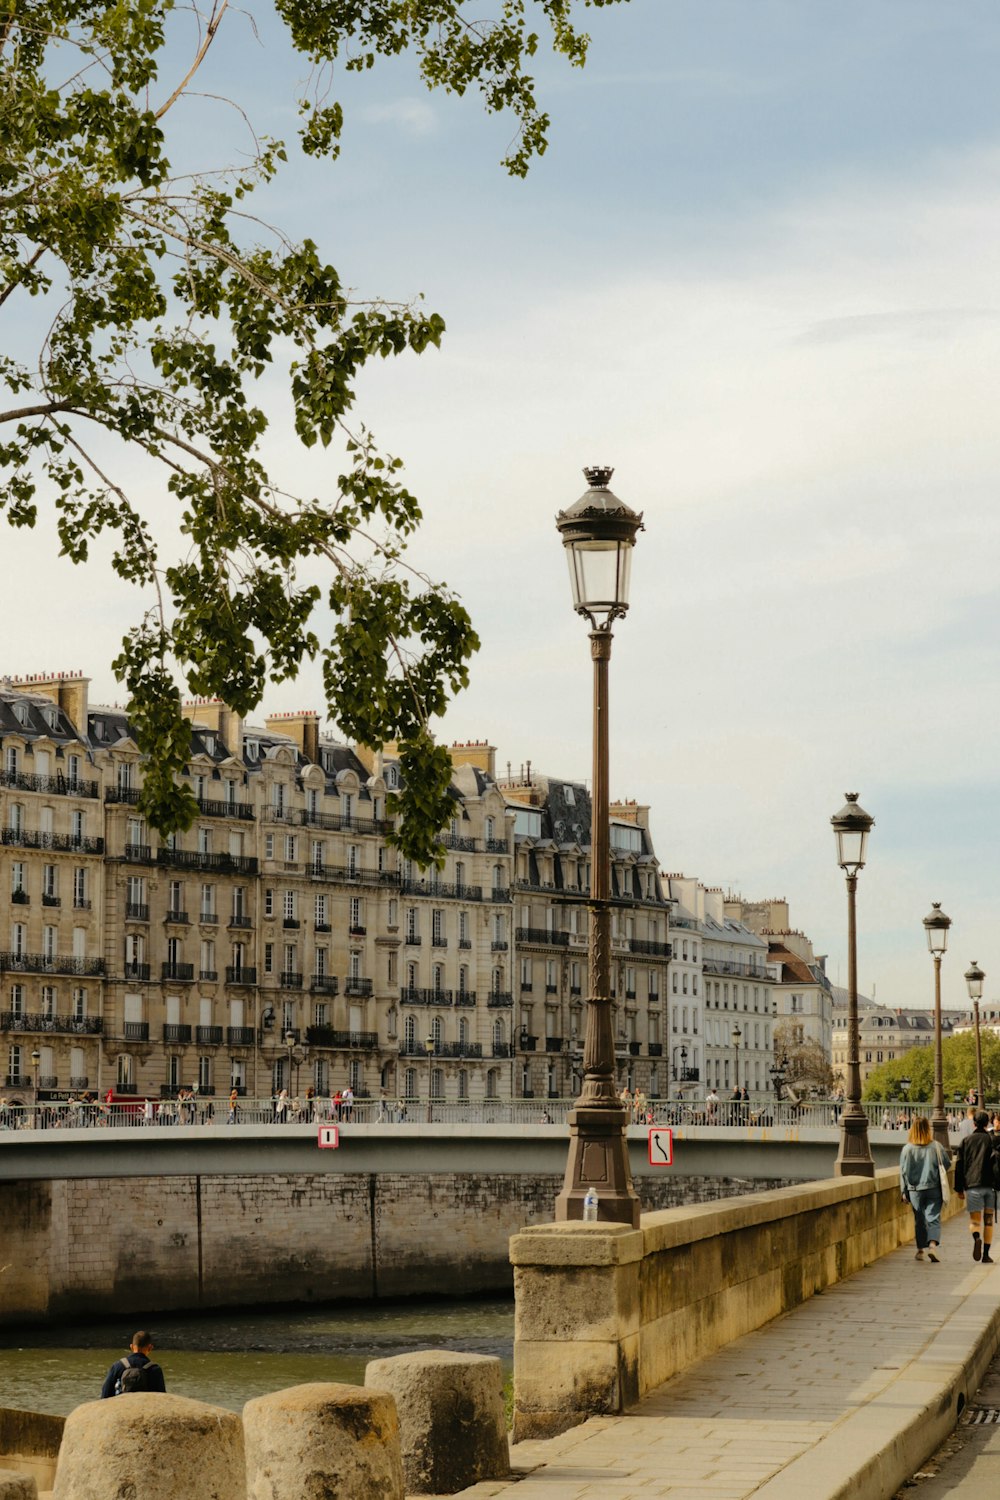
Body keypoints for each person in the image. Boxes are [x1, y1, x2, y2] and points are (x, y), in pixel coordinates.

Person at [899, 1116, 948, 1263]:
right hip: (933, 1187)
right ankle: (932, 1245)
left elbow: (903, 1172)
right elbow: (946, 1163)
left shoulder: (907, 1149)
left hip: (915, 1190)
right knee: (933, 1218)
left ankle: (920, 1250)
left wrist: (903, 1191)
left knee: (919, 1220)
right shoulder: (936, 1146)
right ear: (928, 1129)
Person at [955, 1109, 1000, 1263]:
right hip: (991, 1186)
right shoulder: (993, 1140)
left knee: (975, 1222)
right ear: (987, 1123)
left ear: (973, 1123)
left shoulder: (966, 1141)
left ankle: (976, 1238)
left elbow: (959, 1166)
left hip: (973, 1185)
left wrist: (959, 1188)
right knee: (988, 1221)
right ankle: (986, 1255)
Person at [100, 1331, 166, 1397]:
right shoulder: (155, 1369)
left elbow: (105, 1394)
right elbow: (162, 1396)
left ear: (131, 1347)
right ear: (150, 1348)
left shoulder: (118, 1366)